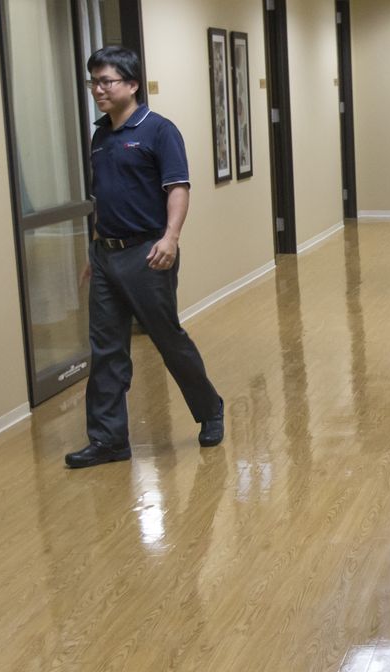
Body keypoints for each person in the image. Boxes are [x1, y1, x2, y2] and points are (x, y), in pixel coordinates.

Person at [66, 46, 223, 469]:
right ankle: (108, 439)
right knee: (107, 348)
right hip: (106, 256)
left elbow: (178, 188)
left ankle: (210, 410)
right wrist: (94, 248)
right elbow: (106, 197)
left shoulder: (158, 130)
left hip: (148, 253)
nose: (97, 89)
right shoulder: (100, 135)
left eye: (106, 81)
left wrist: (171, 238)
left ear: (132, 85)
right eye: (93, 82)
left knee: (166, 338)